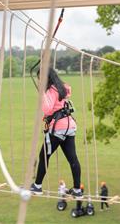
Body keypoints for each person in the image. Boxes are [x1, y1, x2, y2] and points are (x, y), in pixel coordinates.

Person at [30, 67, 82, 198]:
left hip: (58, 128)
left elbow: (47, 110)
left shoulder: (51, 91)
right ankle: (77, 189)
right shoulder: (62, 87)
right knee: (73, 159)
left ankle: (37, 186)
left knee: (44, 157)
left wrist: (42, 94)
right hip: (69, 127)